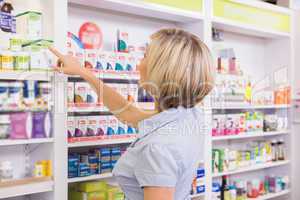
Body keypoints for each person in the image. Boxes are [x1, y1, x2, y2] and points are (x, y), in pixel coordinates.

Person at [50, 28, 214, 200]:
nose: (138, 64)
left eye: (145, 56)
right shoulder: (190, 115)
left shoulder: (157, 148)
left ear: (160, 70)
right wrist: (83, 72)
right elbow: (128, 112)